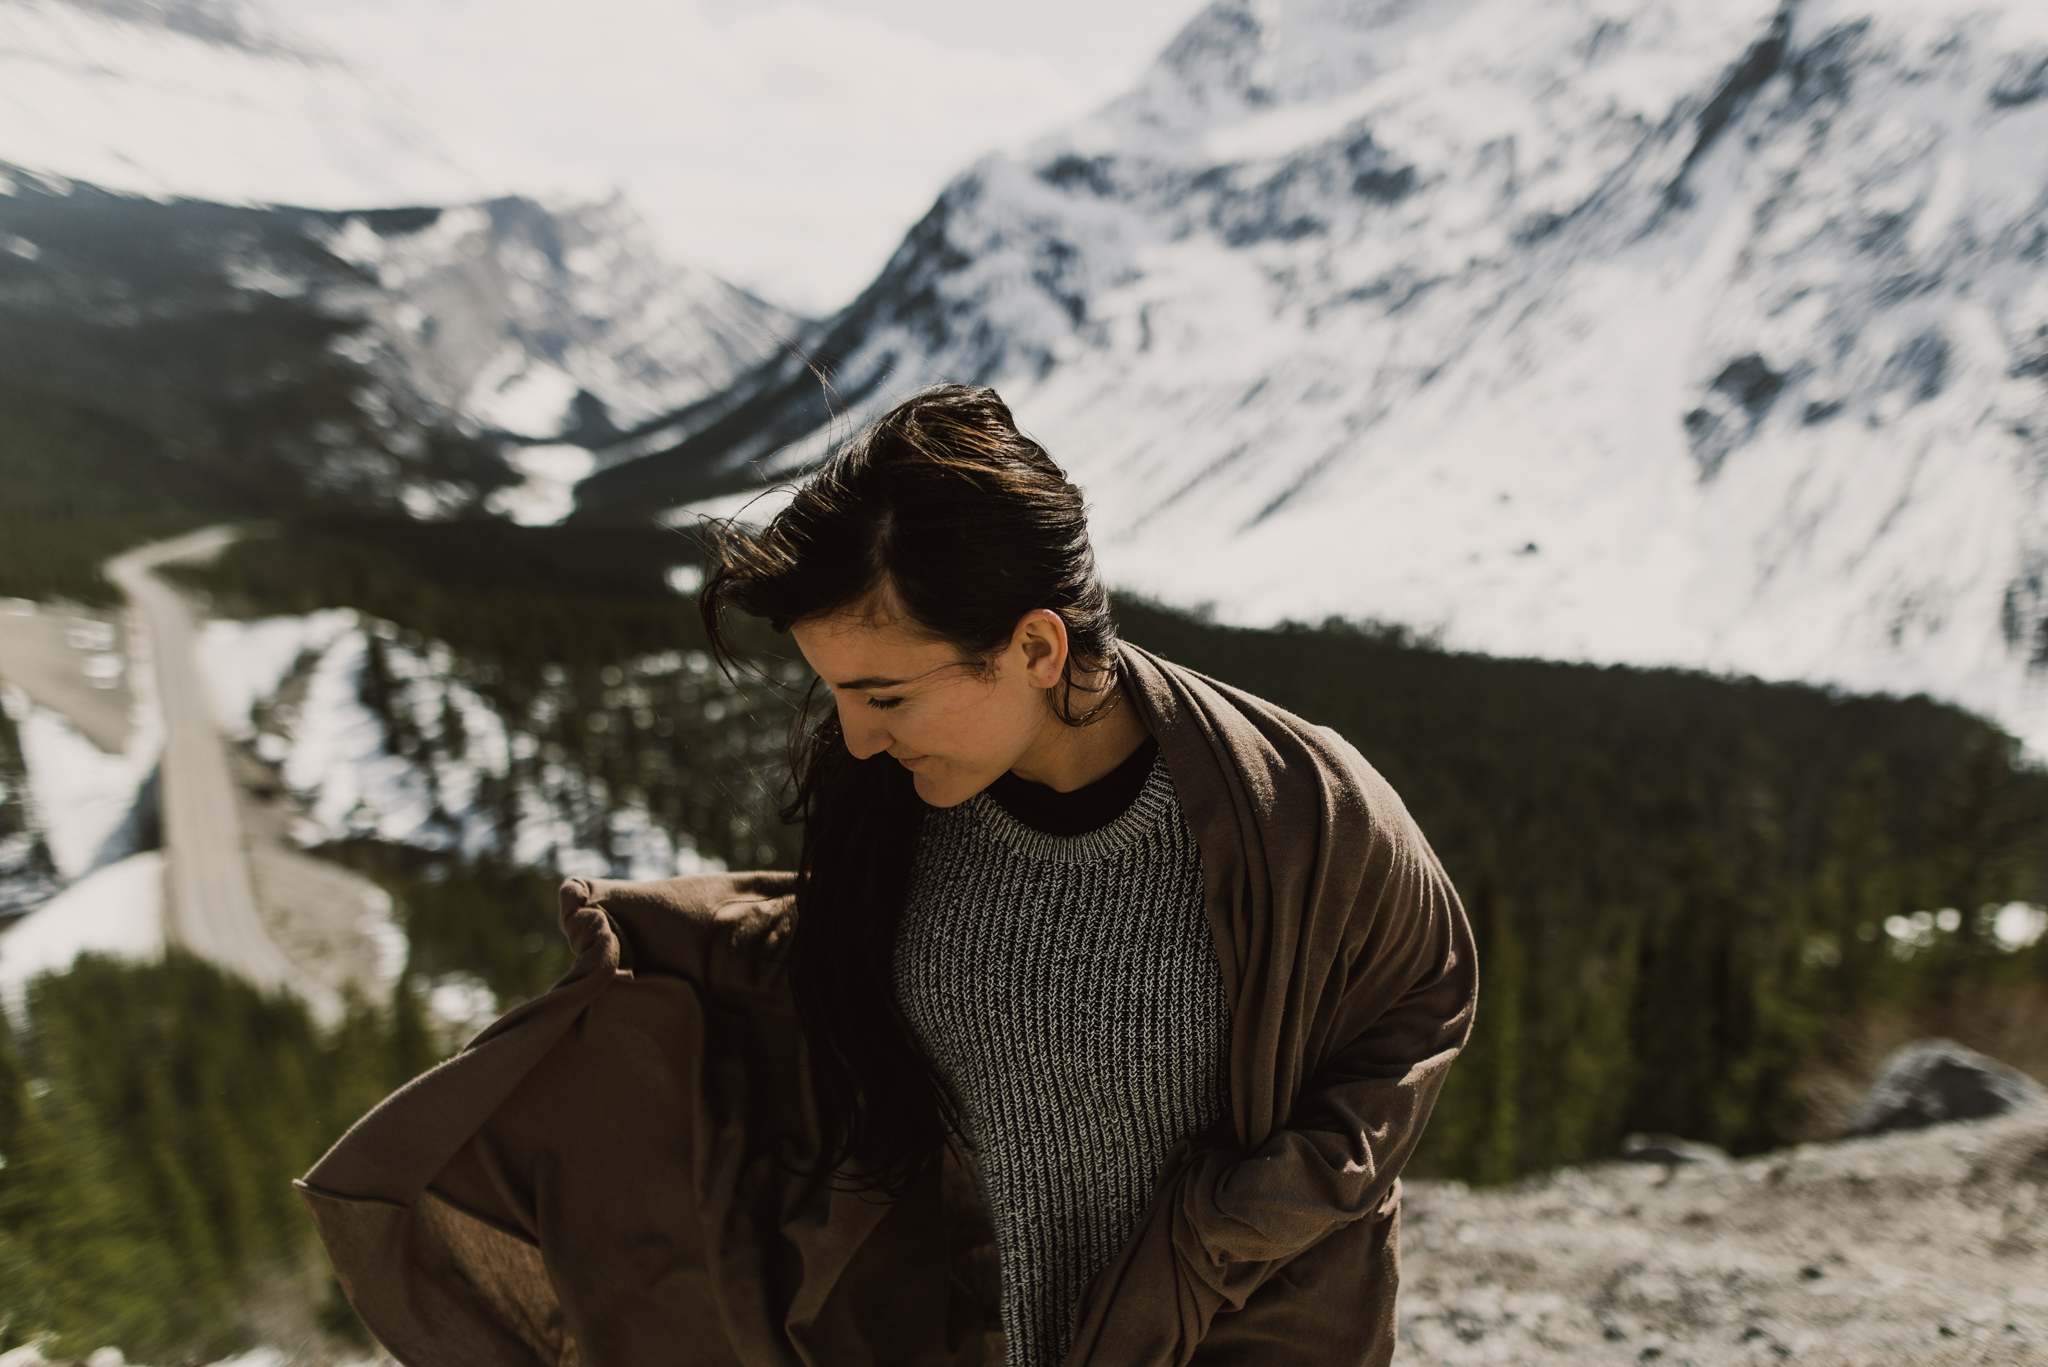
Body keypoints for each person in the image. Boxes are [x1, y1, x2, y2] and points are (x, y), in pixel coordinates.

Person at [298, 385, 1478, 1367]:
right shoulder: (896, 801)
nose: (855, 737)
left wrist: (1238, 1220)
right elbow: (832, 1012)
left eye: (885, 694)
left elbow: (1416, 1004)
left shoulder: (1298, 817)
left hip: (1233, 1331)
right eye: (836, 693)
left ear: (1034, 646)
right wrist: (666, 953)